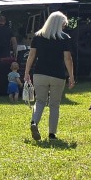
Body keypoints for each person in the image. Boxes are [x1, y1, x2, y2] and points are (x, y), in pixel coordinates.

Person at [24, 11, 75, 141]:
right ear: (60, 24)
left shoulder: (38, 36)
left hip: (40, 72)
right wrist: (71, 76)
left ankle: (34, 122)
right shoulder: (65, 38)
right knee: (54, 104)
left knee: (40, 101)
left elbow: (31, 56)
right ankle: (52, 134)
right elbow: (67, 58)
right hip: (57, 74)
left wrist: (26, 72)